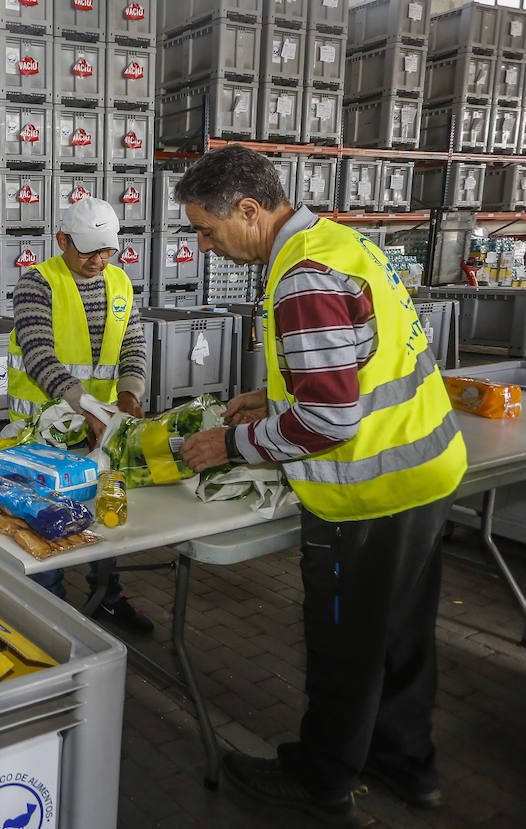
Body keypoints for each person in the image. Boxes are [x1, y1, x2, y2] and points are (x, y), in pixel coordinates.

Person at [174, 144, 466, 824]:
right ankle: (406, 763)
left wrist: (231, 443)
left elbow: (331, 419)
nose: (205, 245)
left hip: (370, 491)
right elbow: (355, 363)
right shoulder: (339, 242)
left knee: (347, 647)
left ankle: (321, 780)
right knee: (401, 635)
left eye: (208, 230)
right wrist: (272, 400)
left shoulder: (301, 277)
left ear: (249, 210)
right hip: (425, 469)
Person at [6, 196, 154, 635]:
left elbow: (133, 345)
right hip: (42, 432)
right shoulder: (38, 284)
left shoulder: (121, 283)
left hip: (99, 432)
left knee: (100, 515)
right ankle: (51, 610)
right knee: (41, 519)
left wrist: (129, 393)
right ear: (62, 240)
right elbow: (37, 354)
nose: (99, 260)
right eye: (89, 250)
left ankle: (107, 598)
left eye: (107, 250)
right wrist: (86, 405)